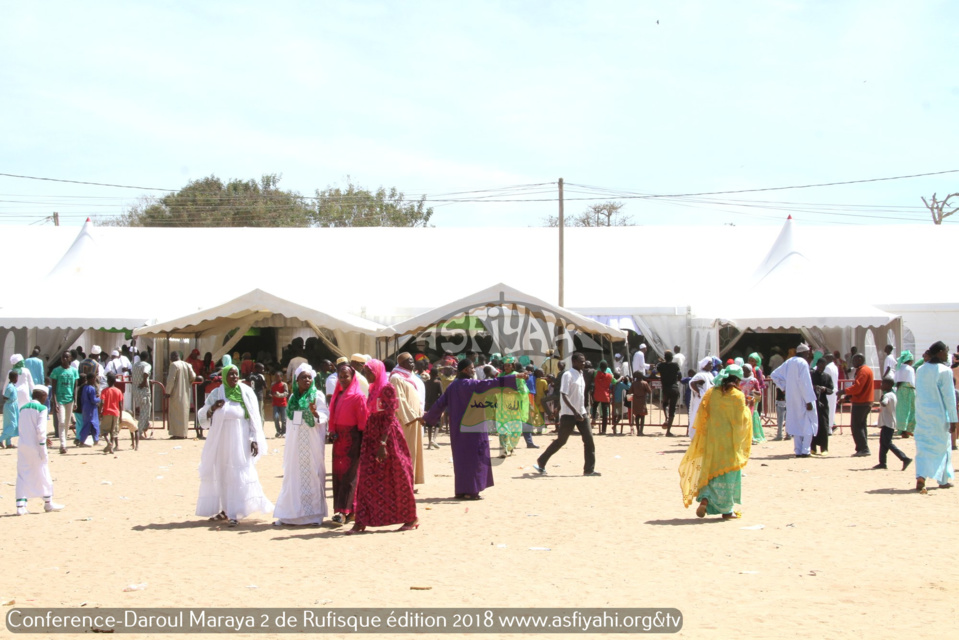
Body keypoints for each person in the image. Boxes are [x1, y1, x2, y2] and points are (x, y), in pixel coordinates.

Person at [423, 358, 529, 499]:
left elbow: (439, 404)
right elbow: (494, 383)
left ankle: (461, 490)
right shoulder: (473, 385)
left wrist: (427, 418)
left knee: (461, 459)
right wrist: (515, 377)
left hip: (458, 430)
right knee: (475, 459)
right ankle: (471, 491)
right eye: (472, 368)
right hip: (474, 429)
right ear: (465, 370)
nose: (474, 370)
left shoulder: (452, 387)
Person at [196, 363, 272, 527]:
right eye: (230, 374)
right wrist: (213, 408)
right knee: (223, 473)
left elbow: (253, 417)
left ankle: (235, 511)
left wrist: (253, 439)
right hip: (222, 440)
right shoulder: (217, 393)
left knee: (238, 473)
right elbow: (202, 414)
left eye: (236, 374)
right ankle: (225, 509)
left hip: (241, 439)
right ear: (224, 377)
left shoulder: (246, 393)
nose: (234, 377)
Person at [348, 360, 418, 534]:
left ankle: (410, 517)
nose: (366, 375)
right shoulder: (372, 389)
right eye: (364, 371)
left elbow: (389, 416)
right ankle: (362, 520)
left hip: (387, 437)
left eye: (368, 371)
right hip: (372, 434)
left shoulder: (387, 388)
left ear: (377, 372)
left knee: (398, 475)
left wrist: (383, 443)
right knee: (366, 477)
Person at [679, 365, 752, 520]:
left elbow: (703, 415)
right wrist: (749, 407)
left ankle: (705, 499)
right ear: (737, 380)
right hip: (729, 442)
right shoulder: (738, 396)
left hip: (712, 440)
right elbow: (740, 421)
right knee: (728, 473)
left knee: (711, 471)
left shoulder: (712, 393)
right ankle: (727, 510)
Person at [273, 363, 329, 526]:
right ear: (296, 380)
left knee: (313, 474)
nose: (306, 380)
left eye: (309, 377)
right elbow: (291, 421)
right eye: (303, 377)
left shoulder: (317, 395)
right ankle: (289, 515)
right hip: (295, 444)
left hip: (312, 443)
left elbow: (325, 415)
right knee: (293, 476)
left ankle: (313, 516)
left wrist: (314, 413)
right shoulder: (292, 398)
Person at [533, 352, 600, 476]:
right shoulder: (568, 375)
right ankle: (542, 460)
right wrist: (572, 411)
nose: (583, 363)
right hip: (569, 414)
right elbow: (563, 394)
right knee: (561, 441)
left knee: (589, 440)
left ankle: (589, 469)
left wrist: (580, 411)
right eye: (581, 361)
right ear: (574, 362)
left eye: (584, 361)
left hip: (582, 413)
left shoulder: (581, 375)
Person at [327, 361, 369, 524]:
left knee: (350, 476)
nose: (343, 379)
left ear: (352, 377)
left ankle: (343, 512)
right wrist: (332, 432)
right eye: (340, 376)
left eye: (346, 376)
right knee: (338, 475)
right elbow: (333, 417)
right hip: (338, 440)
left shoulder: (358, 397)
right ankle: (345, 510)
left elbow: (363, 422)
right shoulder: (337, 396)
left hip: (352, 439)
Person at [914, 341, 957, 493]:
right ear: (939, 352)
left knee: (923, 447)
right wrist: (953, 419)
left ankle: (921, 476)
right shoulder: (945, 371)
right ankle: (943, 480)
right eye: (945, 351)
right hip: (939, 416)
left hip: (922, 414)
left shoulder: (920, 370)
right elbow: (949, 397)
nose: (947, 355)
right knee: (943, 447)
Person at [15, 386, 64, 515]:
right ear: (43, 396)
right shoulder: (42, 409)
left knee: (22, 474)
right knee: (43, 473)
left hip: (23, 446)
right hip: (36, 447)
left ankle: (21, 506)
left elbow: (24, 427)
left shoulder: (23, 408)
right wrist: (43, 447)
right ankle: (48, 503)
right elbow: (40, 431)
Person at [769, 344, 818, 458]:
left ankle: (798, 450)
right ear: (805, 353)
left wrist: (784, 387)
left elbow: (774, 375)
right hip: (803, 398)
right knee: (808, 424)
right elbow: (804, 383)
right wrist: (808, 400)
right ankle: (805, 451)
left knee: (796, 422)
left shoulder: (789, 362)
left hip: (792, 399)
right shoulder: (803, 363)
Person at [389, 353, 425, 486]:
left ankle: (412, 479)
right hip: (406, 420)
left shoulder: (410, 377)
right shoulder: (396, 377)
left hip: (415, 418)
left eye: (412, 360)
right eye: (409, 361)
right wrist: (411, 416)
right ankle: (404, 481)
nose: (412, 363)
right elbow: (399, 400)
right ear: (401, 363)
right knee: (406, 450)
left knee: (414, 450)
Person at [837, 353, 874, 457]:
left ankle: (863, 448)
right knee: (861, 425)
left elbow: (858, 387)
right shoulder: (865, 370)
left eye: (854, 360)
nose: (852, 363)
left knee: (856, 426)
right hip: (864, 401)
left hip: (861, 402)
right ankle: (862, 447)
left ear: (859, 359)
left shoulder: (863, 371)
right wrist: (847, 397)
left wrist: (844, 391)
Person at [874, 377, 912, 470]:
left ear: (888, 385)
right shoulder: (893, 394)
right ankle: (882, 463)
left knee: (887, 443)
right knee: (883, 443)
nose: (881, 386)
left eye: (883, 384)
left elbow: (884, 403)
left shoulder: (888, 395)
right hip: (889, 422)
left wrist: (881, 400)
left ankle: (904, 458)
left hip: (888, 423)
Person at [495, 356, 529, 457]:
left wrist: (511, 392)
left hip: (514, 404)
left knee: (515, 428)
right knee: (502, 427)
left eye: (508, 365)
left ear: (513, 366)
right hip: (502, 404)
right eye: (505, 365)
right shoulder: (500, 375)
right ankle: (504, 450)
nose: (506, 367)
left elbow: (523, 391)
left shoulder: (517, 376)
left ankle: (511, 447)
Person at [48, 351, 79, 454]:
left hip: (70, 400)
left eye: (67, 357)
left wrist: (75, 401)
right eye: (63, 357)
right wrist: (55, 402)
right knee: (61, 421)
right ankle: (62, 444)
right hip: (60, 400)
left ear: (70, 358)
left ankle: (64, 442)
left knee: (67, 423)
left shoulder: (74, 371)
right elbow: (53, 388)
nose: (64, 359)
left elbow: (75, 387)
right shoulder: (56, 371)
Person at [165, 351, 196, 439]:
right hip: (186, 392)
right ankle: (183, 433)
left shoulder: (174, 365)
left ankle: (177, 433)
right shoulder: (187, 365)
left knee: (175, 413)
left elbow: (171, 380)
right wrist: (188, 383)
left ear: (173, 357)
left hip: (175, 392)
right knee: (184, 413)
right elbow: (193, 376)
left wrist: (167, 392)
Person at [809, 354, 834, 456]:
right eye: (820, 365)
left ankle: (824, 448)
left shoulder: (827, 377)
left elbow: (831, 390)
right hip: (812, 402)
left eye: (823, 366)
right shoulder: (811, 375)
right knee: (812, 425)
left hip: (823, 403)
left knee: (823, 425)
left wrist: (824, 389)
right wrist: (814, 387)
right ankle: (812, 447)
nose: (821, 368)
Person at [687, 357, 715, 440]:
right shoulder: (700, 375)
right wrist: (699, 392)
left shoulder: (710, 374)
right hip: (701, 400)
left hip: (709, 400)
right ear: (704, 365)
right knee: (698, 417)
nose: (711, 365)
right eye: (709, 364)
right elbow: (692, 383)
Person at [658, 351, 682, 437]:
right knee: (673, 409)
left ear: (665, 357)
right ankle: (668, 431)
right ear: (672, 358)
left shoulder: (660, 366)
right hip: (674, 388)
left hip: (666, 389)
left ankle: (666, 417)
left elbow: (653, 372)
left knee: (665, 404)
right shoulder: (675, 365)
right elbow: (680, 375)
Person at [99, 372, 124, 454]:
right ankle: (111, 447)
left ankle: (108, 443)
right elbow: (120, 404)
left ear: (108, 381)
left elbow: (102, 402)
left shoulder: (104, 391)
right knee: (113, 432)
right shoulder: (118, 391)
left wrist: (100, 412)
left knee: (104, 431)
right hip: (116, 413)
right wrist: (120, 415)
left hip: (107, 412)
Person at [894, 350, 916, 438]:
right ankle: (908, 429)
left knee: (901, 410)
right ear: (910, 361)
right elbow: (912, 382)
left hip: (900, 390)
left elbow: (896, 381)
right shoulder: (910, 369)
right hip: (909, 390)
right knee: (910, 409)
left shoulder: (899, 367)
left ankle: (901, 429)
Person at [740, 364, 764, 444]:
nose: (744, 371)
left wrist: (753, 392)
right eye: (743, 369)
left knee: (749, 418)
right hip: (740, 401)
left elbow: (759, 392)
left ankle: (751, 437)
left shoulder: (754, 380)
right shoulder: (739, 379)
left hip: (750, 402)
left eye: (746, 369)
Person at [131, 351, 153, 438]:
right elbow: (145, 373)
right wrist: (144, 382)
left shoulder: (135, 365)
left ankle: (144, 427)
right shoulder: (147, 365)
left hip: (136, 389)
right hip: (143, 390)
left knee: (146, 408)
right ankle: (139, 432)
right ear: (147, 357)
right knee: (144, 411)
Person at [75, 372, 100, 447]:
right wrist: (99, 399)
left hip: (85, 409)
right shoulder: (91, 388)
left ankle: (95, 440)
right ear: (92, 379)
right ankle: (82, 441)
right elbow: (93, 400)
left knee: (89, 425)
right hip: (91, 410)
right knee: (92, 425)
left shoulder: (84, 387)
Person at [591, 360, 613, 435]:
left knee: (594, 406)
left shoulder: (596, 373)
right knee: (604, 414)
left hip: (597, 394)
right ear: (607, 367)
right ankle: (604, 430)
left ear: (600, 367)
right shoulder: (609, 375)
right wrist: (621, 378)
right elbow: (615, 382)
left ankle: (593, 418)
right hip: (605, 395)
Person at [823, 353, 840, 435]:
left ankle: (828, 428)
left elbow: (825, 379)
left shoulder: (828, 367)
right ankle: (829, 428)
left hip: (829, 390)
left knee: (827, 409)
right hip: (834, 390)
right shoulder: (835, 367)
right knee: (832, 409)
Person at [630, 372, 652, 436]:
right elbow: (649, 391)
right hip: (642, 401)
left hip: (636, 400)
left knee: (637, 416)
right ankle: (641, 431)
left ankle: (638, 431)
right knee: (642, 416)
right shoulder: (644, 383)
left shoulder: (634, 383)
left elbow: (630, 391)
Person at [270, 371, 289, 438]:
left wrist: (279, 395)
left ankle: (284, 431)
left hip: (283, 404)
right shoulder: (273, 384)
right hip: (275, 403)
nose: (276, 378)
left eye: (278, 377)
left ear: (281, 377)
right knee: (276, 417)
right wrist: (272, 395)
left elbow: (286, 393)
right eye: (275, 377)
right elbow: (271, 392)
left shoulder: (284, 384)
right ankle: (278, 431)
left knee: (284, 419)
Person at [2, 371, 19, 448]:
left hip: (13, 406)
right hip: (10, 406)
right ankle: (0, 439)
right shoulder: (10, 387)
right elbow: (5, 397)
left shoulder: (13, 386)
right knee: (13, 425)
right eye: (16, 377)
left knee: (8, 424)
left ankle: (8, 443)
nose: (17, 379)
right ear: (13, 378)